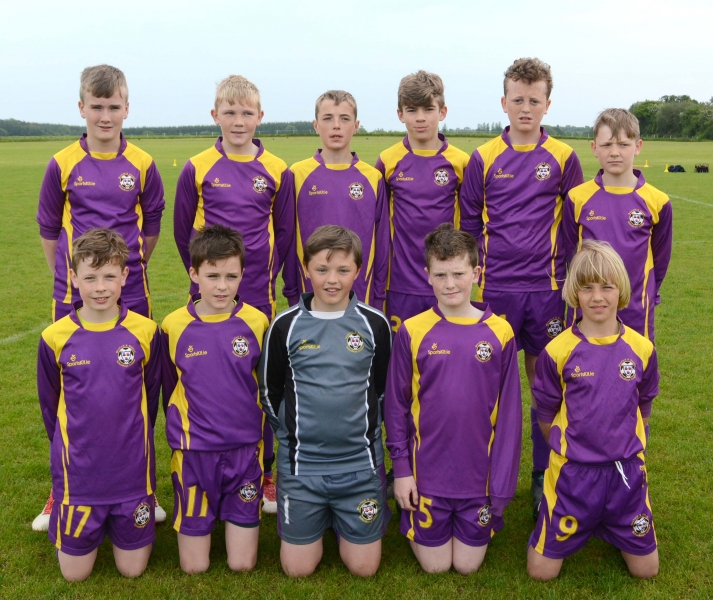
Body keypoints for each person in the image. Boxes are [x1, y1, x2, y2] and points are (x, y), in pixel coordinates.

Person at [35, 64, 166, 531]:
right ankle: (62, 485)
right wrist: (70, 276)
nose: (105, 116)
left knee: (136, 390)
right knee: (71, 390)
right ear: (81, 108)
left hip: (130, 291)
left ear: (127, 108)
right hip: (74, 293)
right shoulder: (62, 162)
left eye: (114, 107)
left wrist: (127, 270)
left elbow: (152, 226)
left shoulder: (143, 164)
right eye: (97, 107)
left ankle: (141, 484)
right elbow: (49, 228)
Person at [460, 57, 584, 518]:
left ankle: (544, 476)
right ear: (504, 103)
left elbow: (574, 224)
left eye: (534, 100)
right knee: (485, 387)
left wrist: (570, 278)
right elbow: (468, 224)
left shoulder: (564, 158)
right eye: (518, 100)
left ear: (547, 104)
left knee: (545, 386)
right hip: (494, 290)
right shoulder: (484, 157)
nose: (525, 108)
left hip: (547, 291)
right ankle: (480, 474)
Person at [174, 74, 295, 512]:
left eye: (247, 113)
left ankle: (265, 471)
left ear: (260, 116)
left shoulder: (277, 169)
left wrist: (271, 279)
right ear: (215, 115)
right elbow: (182, 232)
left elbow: (285, 233)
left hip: (258, 296)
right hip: (210, 299)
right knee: (210, 379)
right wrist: (207, 282)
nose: (238, 121)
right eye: (230, 112)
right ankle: (203, 456)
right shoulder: (197, 167)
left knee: (259, 385)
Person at [385, 224, 521, 574]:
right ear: (427, 275)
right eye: (440, 275)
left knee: (466, 566)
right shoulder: (413, 330)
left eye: (458, 274)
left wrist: (501, 486)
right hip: (427, 474)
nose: (450, 284)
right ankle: (413, 511)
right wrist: (402, 472)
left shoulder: (500, 333)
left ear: (476, 273)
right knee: (436, 566)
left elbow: (510, 417)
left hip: (478, 477)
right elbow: (397, 406)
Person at [259, 226, 392, 577]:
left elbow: (382, 389)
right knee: (297, 569)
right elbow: (269, 391)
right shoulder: (285, 325)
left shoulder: (374, 323)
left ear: (357, 270)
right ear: (306, 269)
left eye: (343, 270)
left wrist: (362, 429)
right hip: (303, 466)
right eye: (322, 269)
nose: (332, 280)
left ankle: (343, 518)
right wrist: (291, 432)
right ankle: (320, 516)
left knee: (364, 568)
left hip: (359, 464)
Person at [527, 240, 659, 581]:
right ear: (575, 293)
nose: (597, 297)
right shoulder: (558, 351)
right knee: (541, 573)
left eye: (606, 287)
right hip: (573, 474)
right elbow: (546, 413)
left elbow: (644, 405)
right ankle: (559, 515)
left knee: (646, 571)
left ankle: (613, 521)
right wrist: (572, 449)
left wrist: (622, 443)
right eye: (587, 288)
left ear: (621, 290)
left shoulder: (641, 349)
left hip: (625, 473)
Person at [37, 228, 161, 581]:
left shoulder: (146, 332)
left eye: (109, 276)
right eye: (90, 278)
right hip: (80, 475)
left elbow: (151, 398)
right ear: (74, 278)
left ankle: (128, 513)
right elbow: (50, 407)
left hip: (131, 471)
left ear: (124, 275)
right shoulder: (54, 337)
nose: (100, 287)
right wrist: (71, 448)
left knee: (132, 570)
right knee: (74, 575)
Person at [161, 224, 269, 573]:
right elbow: (168, 388)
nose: (222, 286)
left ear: (242, 275)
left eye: (231, 276)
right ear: (194, 274)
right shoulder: (173, 325)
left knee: (242, 565)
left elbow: (267, 390)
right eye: (212, 276)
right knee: (194, 567)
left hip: (244, 452)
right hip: (194, 453)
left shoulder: (257, 322)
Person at [562, 108, 673, 340]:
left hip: (635, 308)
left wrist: (647, 293)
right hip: (588, 307)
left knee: (634, 361)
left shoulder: (658, 201)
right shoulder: (577, 198)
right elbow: (570, 254)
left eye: (623, 144)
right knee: (582, 361)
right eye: (606, 145)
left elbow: (660, 260)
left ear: (638, 146)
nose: (614, 152)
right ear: (594, 148)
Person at [375, 70, 470, 334]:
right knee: (401, 353)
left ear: (442, 112)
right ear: (400, 114)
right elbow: (378, 224)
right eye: (412, 110)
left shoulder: (461, 161)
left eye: (428, 109)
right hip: (400, 282)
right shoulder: (388, 160)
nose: (420, 118)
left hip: (448, 282)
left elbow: (471, 223)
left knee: (445, 352)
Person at [283, 90, 389, 309]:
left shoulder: (373, 177)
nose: (336, 126)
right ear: (316, 125)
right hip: (309, 294)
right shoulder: (297, 174)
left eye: (344, 119)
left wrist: (378, 295)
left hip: (361, 295)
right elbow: (289, 238)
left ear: (356, 126)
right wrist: (292, 292)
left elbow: (382, 242)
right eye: (328, 118)